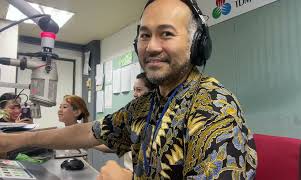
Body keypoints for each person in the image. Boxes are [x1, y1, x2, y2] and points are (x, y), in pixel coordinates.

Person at [0, 0, 257, 179]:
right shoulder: (147, 104)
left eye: (166, 34)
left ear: (196, 43)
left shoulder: (214, 106)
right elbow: (91, 131)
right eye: (145, 35)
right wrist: (16, 140)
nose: (151, 46)